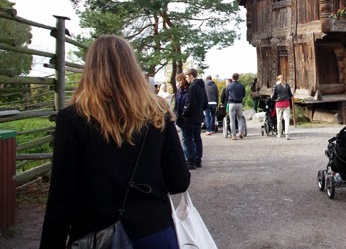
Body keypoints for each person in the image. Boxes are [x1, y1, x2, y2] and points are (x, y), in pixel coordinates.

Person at [39, 35, 190, 248]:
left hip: (96, 236)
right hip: (153, 232)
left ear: (90, 69)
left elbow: (61, 197)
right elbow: (179, 182)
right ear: (132, 68)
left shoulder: (72, 118)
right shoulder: (158, 113)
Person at [181, 68, 208, 169]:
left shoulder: (192, 87)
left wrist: (184, 113)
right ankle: (198, 160)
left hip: (191, 117)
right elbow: (205, 104)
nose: (186, 79)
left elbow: (189, 103)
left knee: (188, 139)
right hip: (199, 116)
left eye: (187, 77)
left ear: (191, 76)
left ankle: (191, 161)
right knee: (197, 138)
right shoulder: (202, 87)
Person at [271, 74, 293, 139]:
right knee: (286, 119)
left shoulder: (276, 86)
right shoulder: (287, 85)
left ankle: (279, 134)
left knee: (279, 120)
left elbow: (273, 96)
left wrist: (272, 98)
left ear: (278, 79)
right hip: (286, 103)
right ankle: (287, 134)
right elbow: (290, 95)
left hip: (279, 104)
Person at [226, 73, 246, 140]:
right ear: (238, 77)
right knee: (240, 118)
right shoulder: (241, 85)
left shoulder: (229, 86)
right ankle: (240, 132)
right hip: (239, 103)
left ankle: (233, 135)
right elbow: (244, 94)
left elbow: (226, 95)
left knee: (232, 120)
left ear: (232, 78)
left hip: (231, 103)